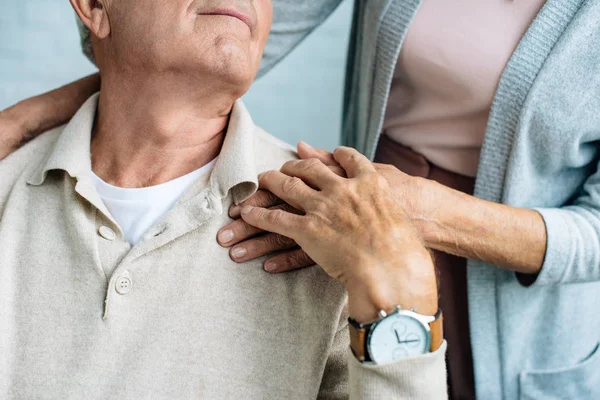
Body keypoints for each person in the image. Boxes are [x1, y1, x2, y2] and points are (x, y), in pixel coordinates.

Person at [2, 1, 600, 399]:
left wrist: (404, 242)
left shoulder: (330, 261)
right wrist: (38, 116)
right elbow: (195, 38)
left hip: (499, 291)